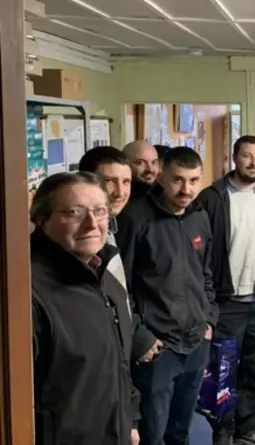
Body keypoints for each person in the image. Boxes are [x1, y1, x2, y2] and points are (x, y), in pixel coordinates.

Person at [117, 147, 218, 445]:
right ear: (162, 177)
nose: (186, 189)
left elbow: (206, 274)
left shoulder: (200, 216)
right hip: (158, 347)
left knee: (181, 430)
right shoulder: (135, 218)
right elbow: (121, 287)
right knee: (153, 433)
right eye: (177, 180)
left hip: (197, 341)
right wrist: (140, 336)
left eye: (193, 180)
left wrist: (209, 319)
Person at [29, 172, 139, 445]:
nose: (92, 224)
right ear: (42, 219)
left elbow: (118, 361)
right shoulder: (26, 292)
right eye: (74, 213)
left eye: (100, 211)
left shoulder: (103, 270)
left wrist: (130, 420)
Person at [198, 135, 255, 445]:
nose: (253, 162)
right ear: (235, 158)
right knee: (221, 371)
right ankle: (221, 429)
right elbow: (200, 251)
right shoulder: (211, 198)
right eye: (247, 156)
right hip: (226, 303)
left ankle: (246, 425)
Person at [78, 146, 132, 295]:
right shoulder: (76, 233)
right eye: (109, 181)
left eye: (126, 182)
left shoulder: (115, 225)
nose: (120, 192)